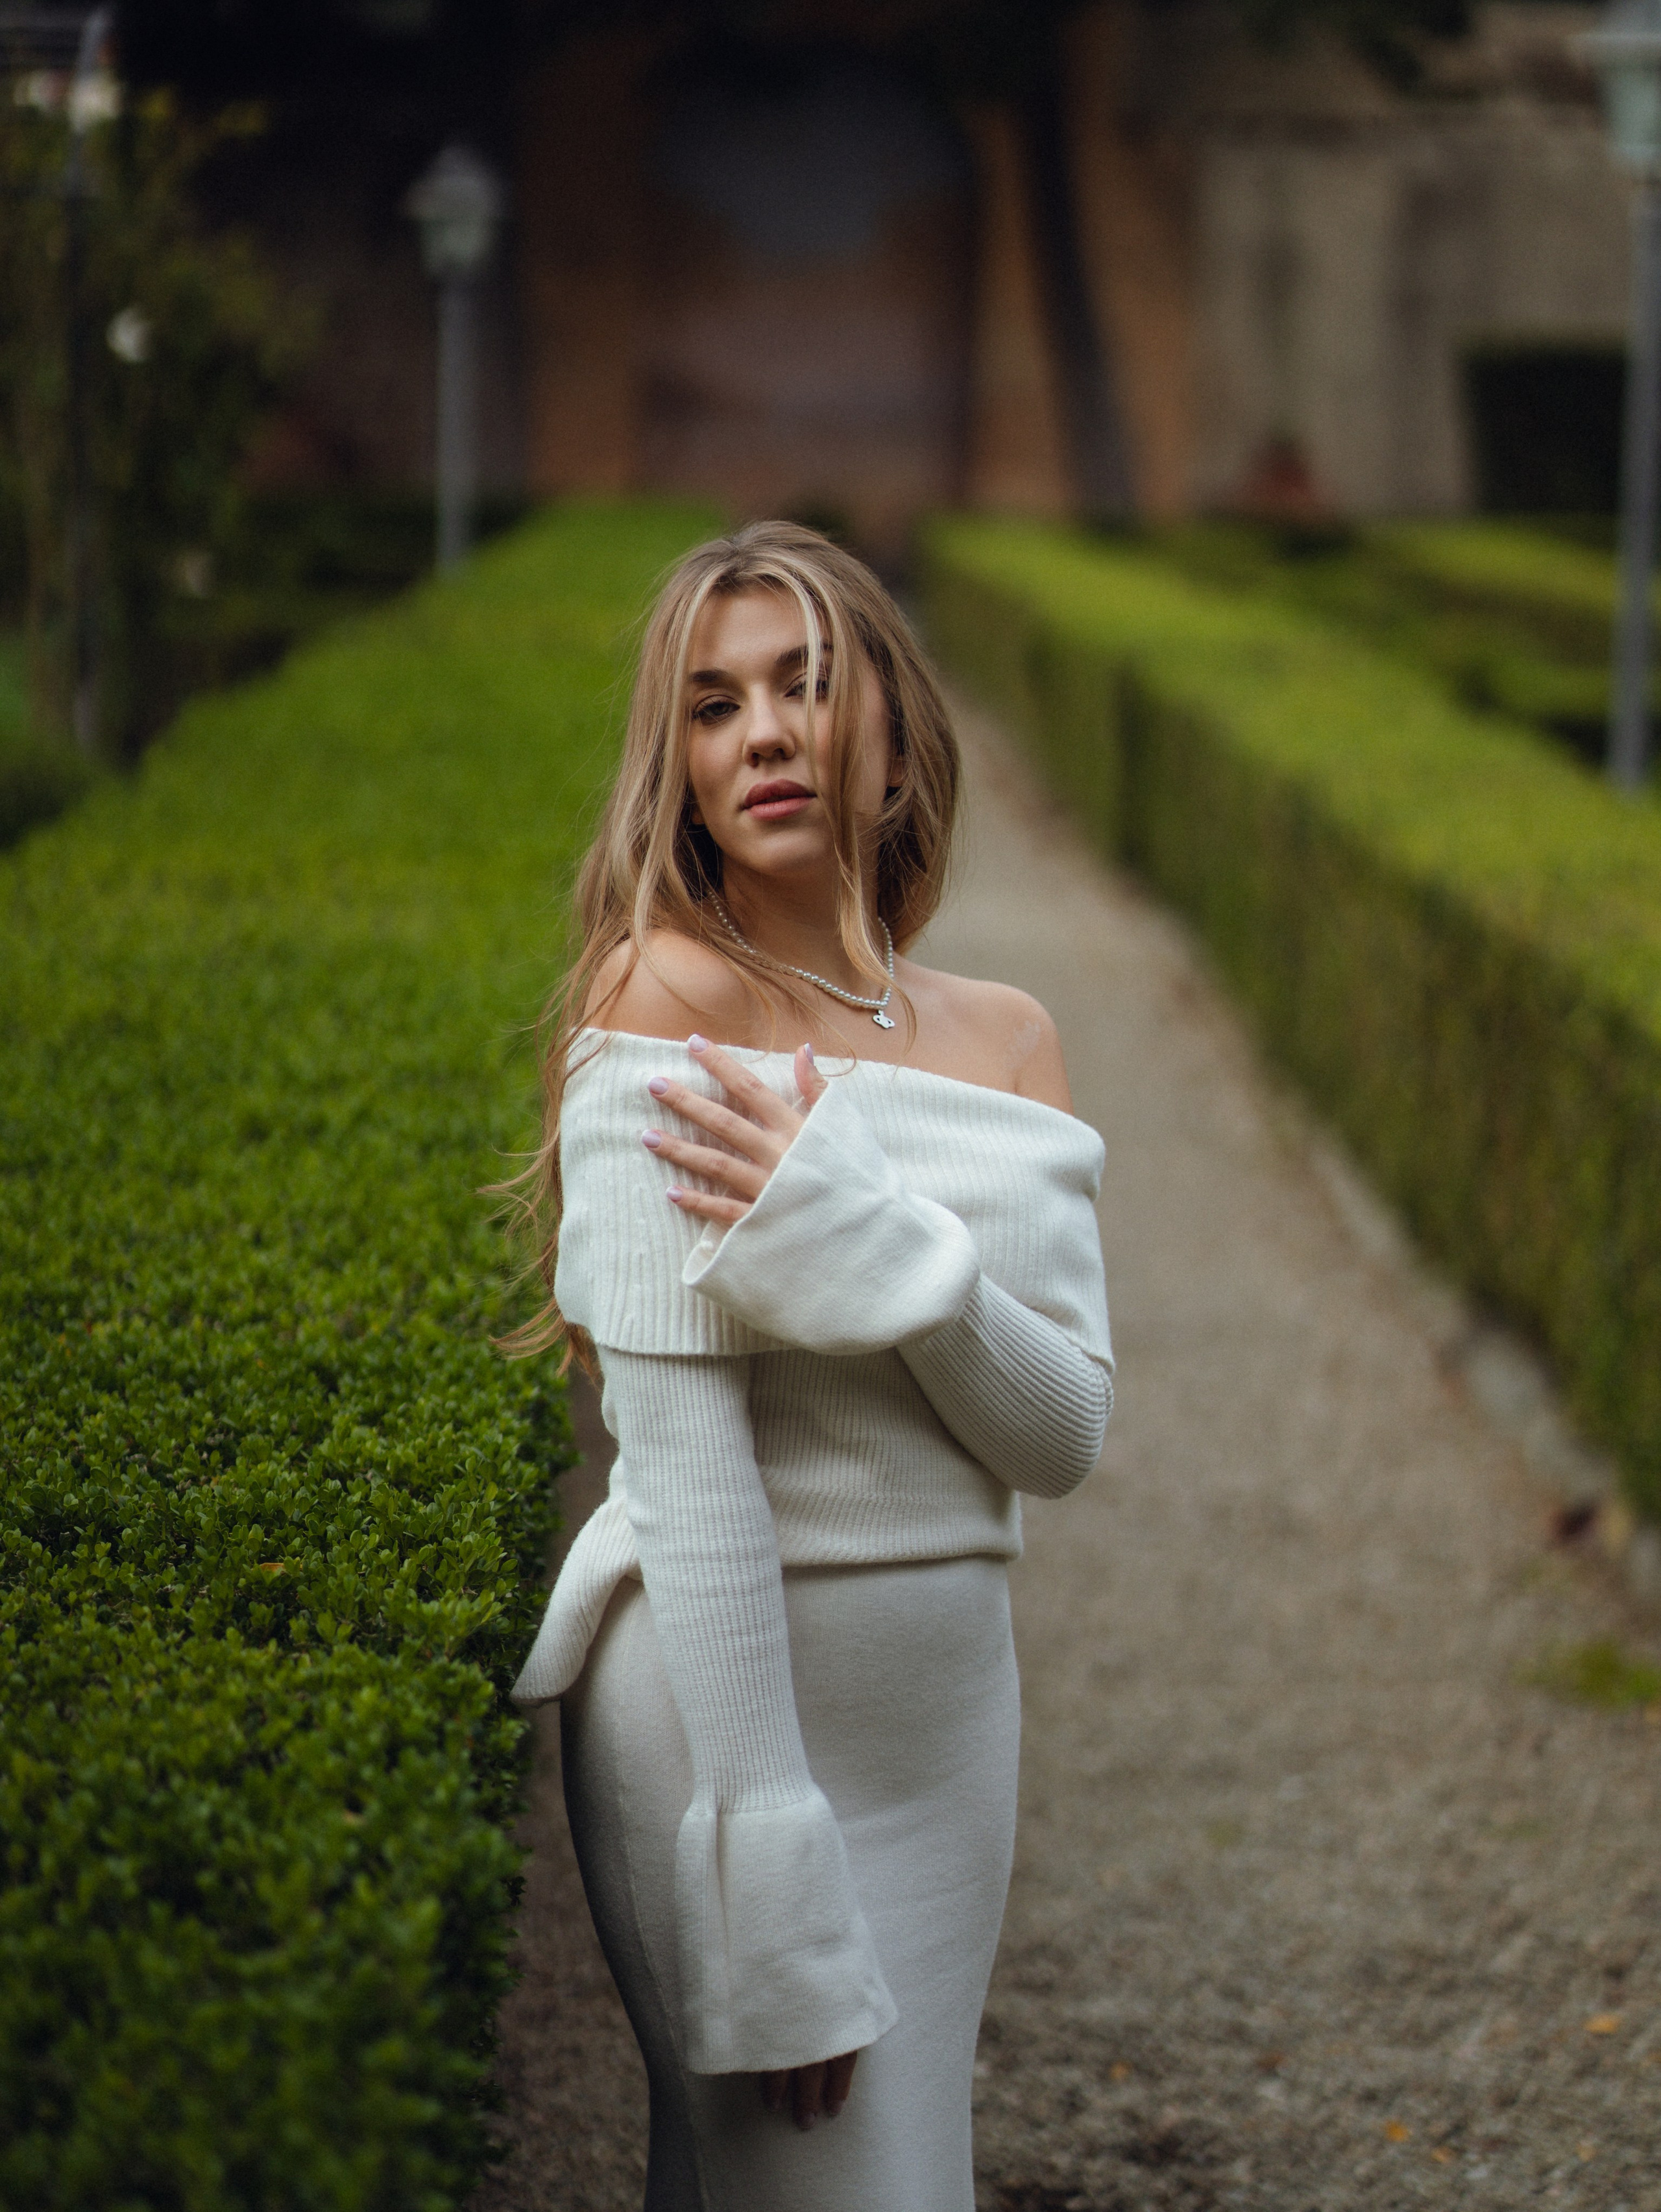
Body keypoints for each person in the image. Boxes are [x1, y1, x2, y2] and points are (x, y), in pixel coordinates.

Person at [503, 520, 1113, 2212]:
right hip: (728, 1731)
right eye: (713, 706)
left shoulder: (1009, 1039)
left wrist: (899, 1261)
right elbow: (681, 1460)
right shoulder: (662, 1001)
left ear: (893, 738)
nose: (763, 733)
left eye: (806, 684)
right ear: (683, 775)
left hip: (950, 1728)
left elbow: (1061, 1433)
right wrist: (766, 1851)